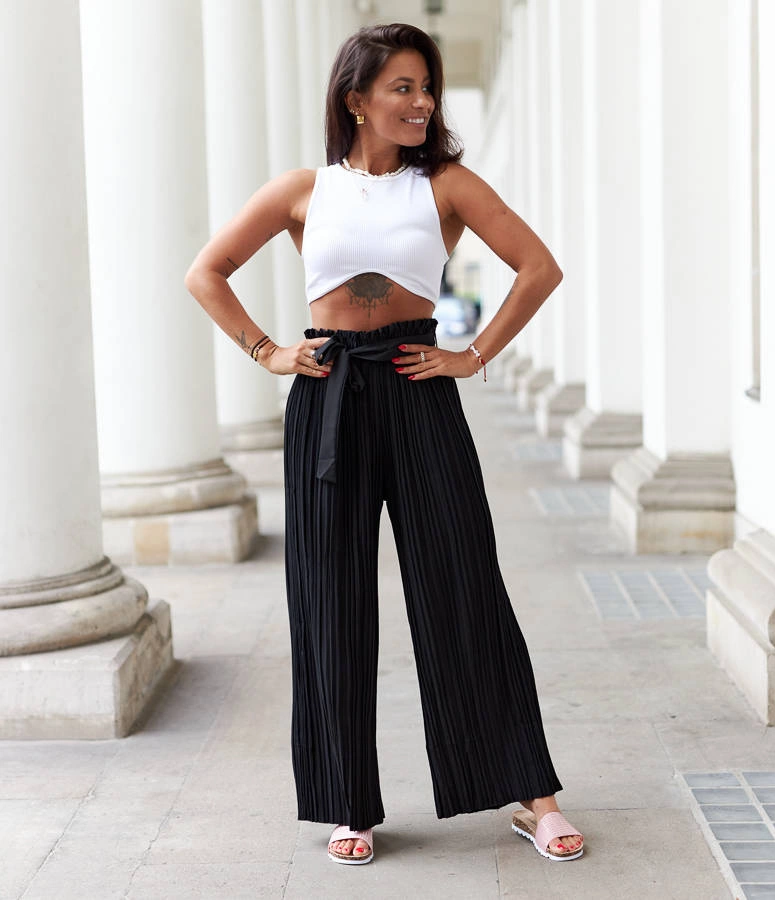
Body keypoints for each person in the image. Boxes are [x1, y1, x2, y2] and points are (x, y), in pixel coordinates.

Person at [185, 23, 584, 867]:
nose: (423, 102)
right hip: (327, 396)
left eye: (427, 87)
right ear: (356, 98)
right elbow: (206, 272)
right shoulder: (303, 190)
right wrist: (267, 351)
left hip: (418, 386)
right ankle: (347, 802)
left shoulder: (445, 185)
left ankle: (532, 795)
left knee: (464, 584)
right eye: (404, 87)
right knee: (328, 599)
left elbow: (539, 268)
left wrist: (472, 355)